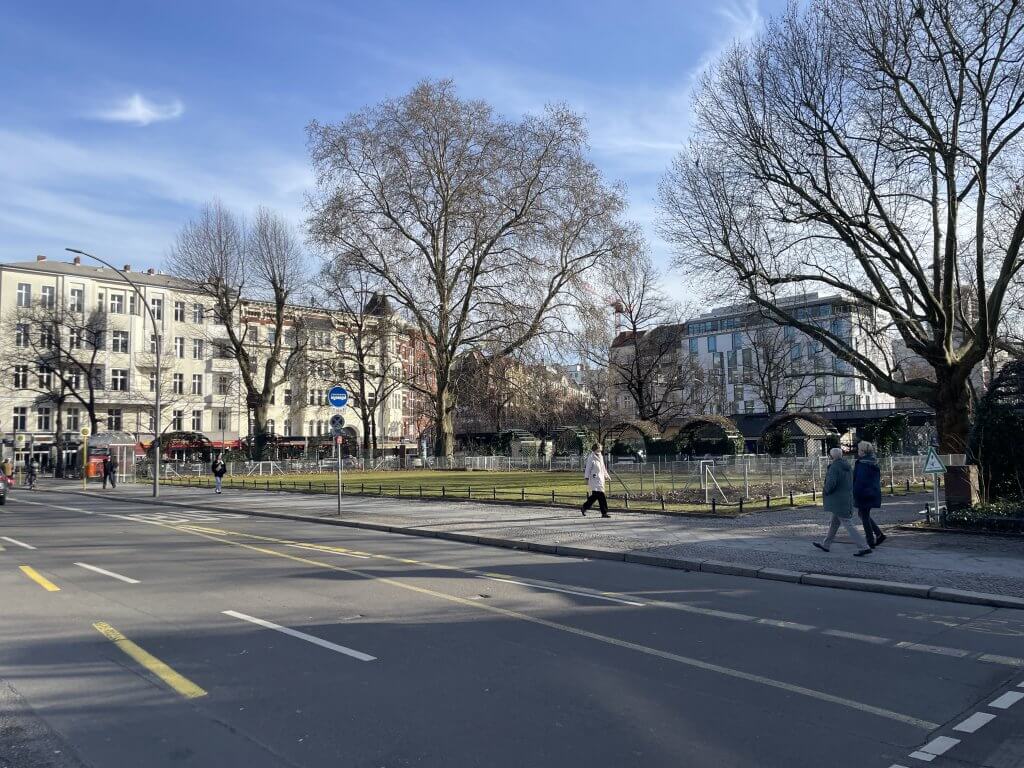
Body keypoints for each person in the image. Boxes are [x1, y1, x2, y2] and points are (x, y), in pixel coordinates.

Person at [814, 447, 872, 556]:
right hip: (846, 498)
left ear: (832, 456)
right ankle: (826, 544)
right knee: (834, 523)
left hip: (838, 500)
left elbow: (831, 484)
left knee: (848, 523)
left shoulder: (834, 467)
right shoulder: (847, 466)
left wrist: (825, 490)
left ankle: (864, 547)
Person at [852, 440, 886, 548]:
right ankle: (879, 534)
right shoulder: (873, 462)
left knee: (864, 516)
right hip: (872, 492)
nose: (858, 451)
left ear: (863, 451)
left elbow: (859, 480)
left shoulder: (862, 464)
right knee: (863, 514)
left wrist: (854, 492)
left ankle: (870, 540)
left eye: (859, 449)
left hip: (863, 493)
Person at [581, 443, 610, 518]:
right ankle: (604, 512)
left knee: (596, 496)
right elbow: (588, 468)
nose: (601, 449)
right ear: (596, 448)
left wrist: (606, 475)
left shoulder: (601, 456)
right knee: (601, 495)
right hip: (594, 478)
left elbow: (603, 467)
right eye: (600, 447)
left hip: (600, 478)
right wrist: (586, 478)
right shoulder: (591, 457)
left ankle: (585, 507)